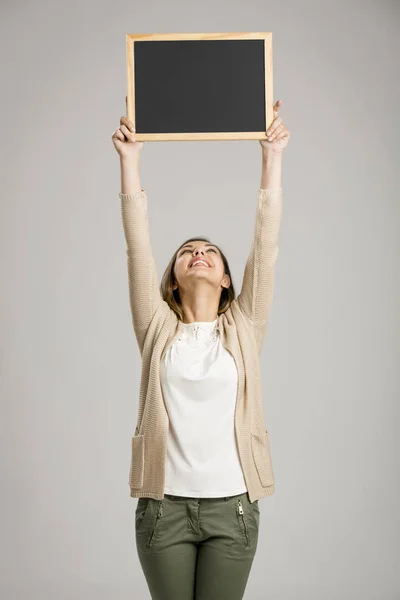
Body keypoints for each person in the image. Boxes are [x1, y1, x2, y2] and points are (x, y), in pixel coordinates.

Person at [111, 99, 290, 599]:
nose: (198, 253)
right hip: (163, 509)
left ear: (228, 279)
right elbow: (137, 247)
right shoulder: (156, 330)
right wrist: (130, 160)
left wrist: (272, 157)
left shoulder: (244, 328)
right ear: (171, 278)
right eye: (188, 251)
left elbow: (266, 245)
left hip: (232, 509)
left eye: (210, 251)